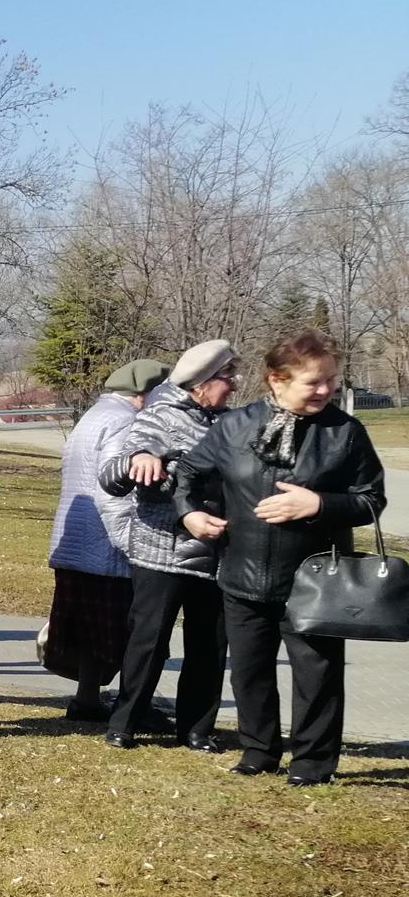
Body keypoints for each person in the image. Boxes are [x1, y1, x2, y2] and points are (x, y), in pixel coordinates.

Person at [175, 329, 387, 785]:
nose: (326, 390)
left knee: (317, 675)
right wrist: (189, 513)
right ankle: (259, 751)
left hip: (316, 579)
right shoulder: (235, 426)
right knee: (249, 671)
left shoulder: (345, 433)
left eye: (331, 380)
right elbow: (188, 471)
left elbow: (372, 500)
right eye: (314, 382)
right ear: (276, 379)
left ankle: (312, 764)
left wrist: (320, 504)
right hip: (242, 572)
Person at [97, 339, 237, 752]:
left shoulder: (234, 423)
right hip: (162, 552)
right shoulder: (160, 417)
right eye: (227, 377)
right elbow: (111, 475)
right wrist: (138, 460)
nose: (233, 384)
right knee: (149, 640)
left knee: (209, 645)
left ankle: (196, 729)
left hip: (217, 553)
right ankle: (125, 722)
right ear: (201, 383)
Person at [44, 359, 171, 721]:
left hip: (77, 540)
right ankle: (133, 706)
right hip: (107, 542)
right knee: (127, 632)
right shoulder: (125, 422)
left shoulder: (95, 415)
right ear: (145, 393)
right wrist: (129, 541)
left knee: (91, 633)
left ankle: (87, 699)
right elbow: (114, 490)